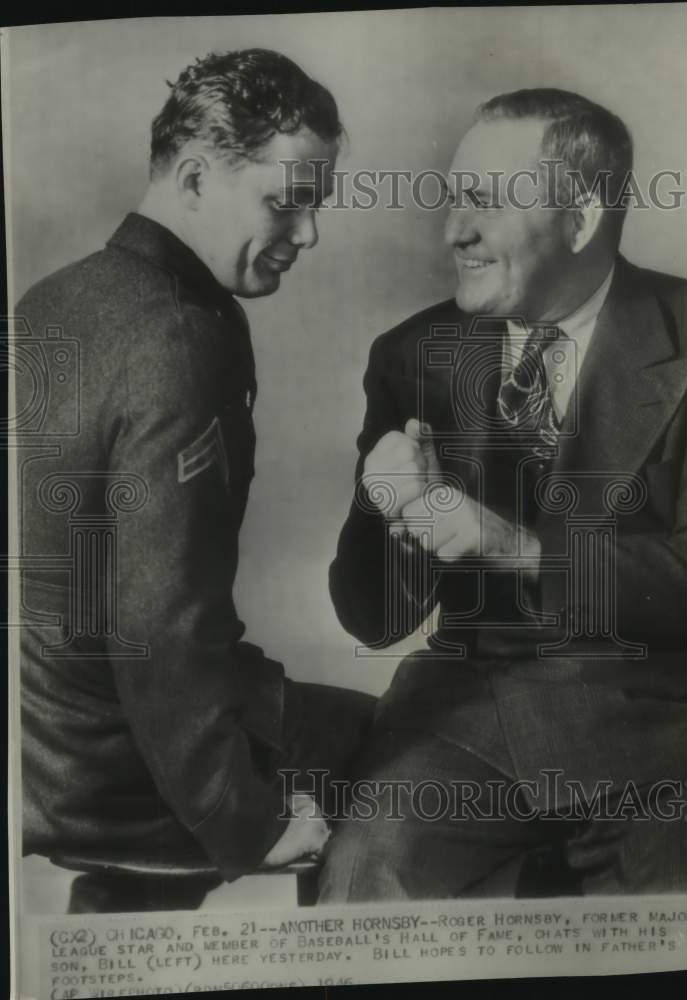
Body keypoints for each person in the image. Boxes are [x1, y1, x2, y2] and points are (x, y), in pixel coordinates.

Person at [321, 89, 687, 901]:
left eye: (483, 202)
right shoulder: (412, 354)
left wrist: (512, 546)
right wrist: (392, 515)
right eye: (453, 201)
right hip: (466, 719)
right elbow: (368, 618)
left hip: (668, 725)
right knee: (358, 891)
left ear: (581, 217)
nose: (453, 231)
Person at [17, 48, 374, 910]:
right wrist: (243, 822)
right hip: (117, 762)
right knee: (395, 746)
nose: (310, 233)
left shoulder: (51, 300)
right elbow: (162, 621)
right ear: (195, 176)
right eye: (286, 200)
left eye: (317, 205)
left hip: (41, 737)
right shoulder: (183, 337)